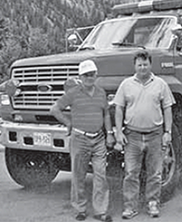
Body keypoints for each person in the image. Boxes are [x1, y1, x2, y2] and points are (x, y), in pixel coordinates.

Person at [51, 60, 115, 222]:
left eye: (92, 74)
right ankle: (80, 208)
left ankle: (100, 211)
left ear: (96, 75)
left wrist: (109, 133)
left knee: (100, 175)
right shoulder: (73, 93)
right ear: (80, 77)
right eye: (86, 75)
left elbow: (106, 114)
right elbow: (55, 109)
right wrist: (68, 123)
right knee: (78, 175)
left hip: (99, 139)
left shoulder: (101, 92)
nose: (89, 77)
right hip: (80, 139)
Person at [113, 51, 175, 219]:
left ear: (150, 65)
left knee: (155, 173)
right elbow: (118, 108)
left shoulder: (161, 84)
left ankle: (153, 203)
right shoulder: (126, 84)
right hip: (132, 136)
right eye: (139, 64)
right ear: (135, 66)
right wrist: (119, 132)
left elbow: (167, 108)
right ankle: (130, 207)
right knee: (131, 173)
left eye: (145, 64)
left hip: (155, 134)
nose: (142, 67)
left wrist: (167, 132)